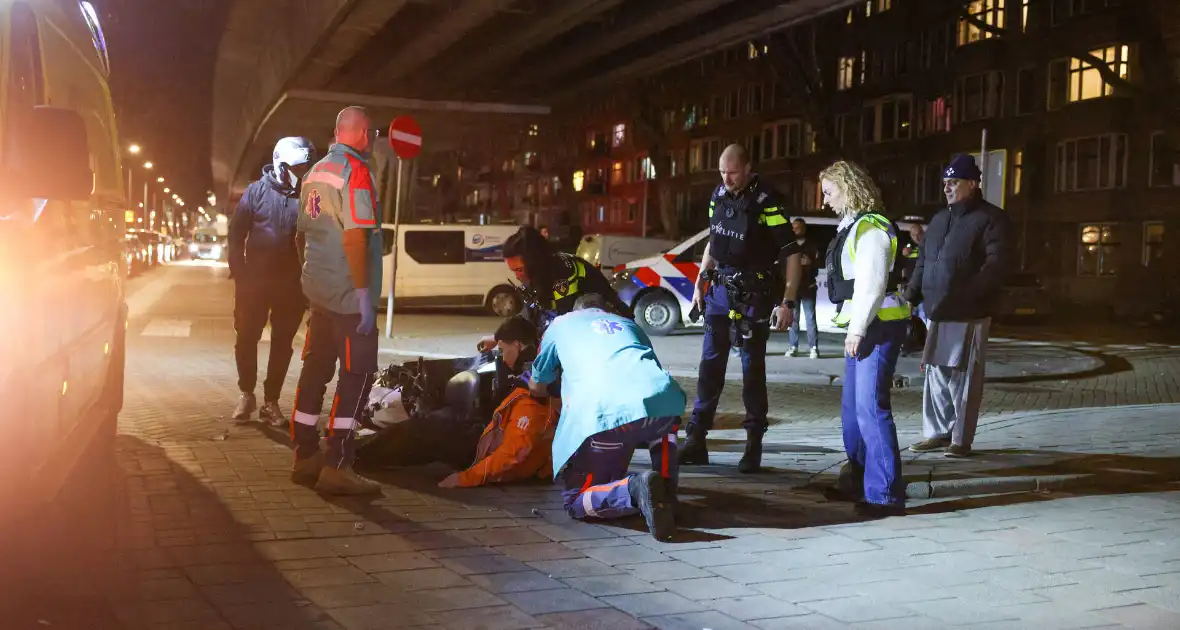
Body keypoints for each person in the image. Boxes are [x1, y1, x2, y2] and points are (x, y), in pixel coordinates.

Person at [680, 144, 803, 474]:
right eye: (722, 171)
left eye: (732, 172)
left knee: (752, 371)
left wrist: (788, 300)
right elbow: (713, 239)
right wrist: (699, 283)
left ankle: (753, 444)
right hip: (719, 291)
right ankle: (695, 440)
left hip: (753, 295)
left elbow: (790, 252)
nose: (726, 178)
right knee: (709, 367)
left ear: (748, 167)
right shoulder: (718, 195)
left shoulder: (768, 201)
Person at [528, 294, 686, 541]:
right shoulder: (630, 324)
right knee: (664, 426)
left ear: (577, 311)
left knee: (576, 500)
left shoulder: (560, 324)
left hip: (603, 415)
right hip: (663, 402)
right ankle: (666, 491)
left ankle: (633, 490)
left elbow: (537, 385)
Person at [288, 106, 385, 495]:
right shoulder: (356, 171)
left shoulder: (312, 173)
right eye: (371, 133)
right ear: (362, 134)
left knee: (314, 371)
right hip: (348, 296)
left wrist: (312, 279)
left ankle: (305, 455)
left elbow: (300, 237)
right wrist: (363, 298)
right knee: (356, 377)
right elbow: (357, 236)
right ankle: (338, 465)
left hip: (319, 293)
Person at [357, 316, 557, 489]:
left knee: (422, 430)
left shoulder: (532, 392)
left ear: (517, 345)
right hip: (485, 437)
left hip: (483, 452)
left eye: (503, 350)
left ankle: (353, 456)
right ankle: (357, 453)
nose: (500, 357)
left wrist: (464, 478)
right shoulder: (527, 370)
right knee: (424, 431)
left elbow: (512, 455)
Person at [817, 161, 911, 518]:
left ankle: (885, 494)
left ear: (848, 187)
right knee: (854, 413)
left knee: (870, 408)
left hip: (877, 326)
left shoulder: (871, 229)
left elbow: (871, 284)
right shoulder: (854, 227)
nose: (825, 201)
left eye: (829, 192)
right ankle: (858, 480)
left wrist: (857, 330)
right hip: (867, 325)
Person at [905, 154, 1012, 458]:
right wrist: (912, 297)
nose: (948, 189)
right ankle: (937, 432)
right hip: (936, 311)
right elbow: (924, 260)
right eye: (945, 183)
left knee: (963, 378)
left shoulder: (992, 218)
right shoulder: (940, 219)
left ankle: (960, 439)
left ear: (973, 184)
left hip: (969, 311)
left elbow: (998, 264)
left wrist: (972, 294)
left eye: (954, 183)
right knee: (936, 374)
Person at [227, 137, 315, 425]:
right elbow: (236, 232)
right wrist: (239, 271)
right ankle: (246, 394)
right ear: (281, 164)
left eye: (305, 167)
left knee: (282, 342)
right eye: (297, 167)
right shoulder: (255, 191)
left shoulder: (310, 195)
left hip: (291, 284)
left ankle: (271, 401)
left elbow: (316, 238)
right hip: (254, 283)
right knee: (246, 337)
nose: (302, 172)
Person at [476, 226, 631, 351]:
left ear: (533, 262)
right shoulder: (540, 275)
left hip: (614, 335)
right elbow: (530, 312)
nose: (517, 276)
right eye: (514, 271)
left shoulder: (563, 273)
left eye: (519, 270)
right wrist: (497, 337)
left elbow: (565, 325)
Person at [786, 218, 821, 359]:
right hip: (794, 289)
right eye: (793, 227)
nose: (794, 230)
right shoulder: (790, 246)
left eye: (798, 227)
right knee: (793, 319)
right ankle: (793, 346)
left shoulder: (812, 246)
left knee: (810, 318)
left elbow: (819, 265)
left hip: (808, 288)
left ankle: (813, 348)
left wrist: (809, 263)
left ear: (804, 229)